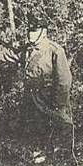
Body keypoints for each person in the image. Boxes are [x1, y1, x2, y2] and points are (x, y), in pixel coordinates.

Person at [20, 20, 74, 155]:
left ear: (43, 33)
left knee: (60, 124)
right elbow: (7, 54)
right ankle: (41, 156)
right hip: (33, 96)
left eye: (35, 31)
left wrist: (59, 102)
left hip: (50, 96)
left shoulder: (54, 50)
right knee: (37, 127)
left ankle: (64, 156)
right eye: (30, 31)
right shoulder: (27, 49)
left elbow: (64, 79)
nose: (31, 34)